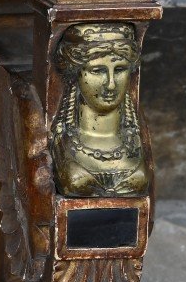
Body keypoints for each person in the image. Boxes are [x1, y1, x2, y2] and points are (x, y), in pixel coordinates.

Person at [51, 23, 149, 197]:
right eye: (97, 71)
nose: (111, 84)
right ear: (75, 74)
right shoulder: (58, 138)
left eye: (120, 69)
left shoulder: (138, 134)